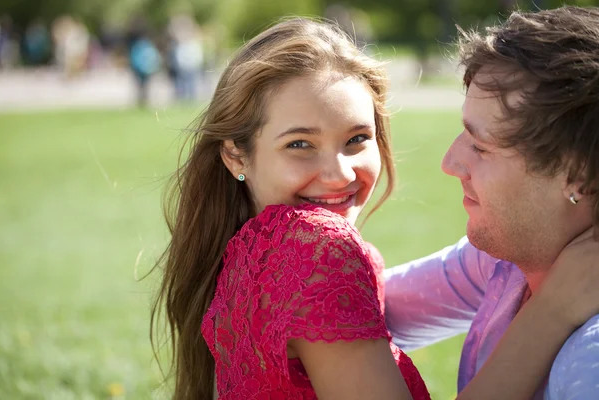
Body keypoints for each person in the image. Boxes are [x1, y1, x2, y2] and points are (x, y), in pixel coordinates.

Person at [150, 17, 599, 400]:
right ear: (236, 156)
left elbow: (395, 302)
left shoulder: (256, 250)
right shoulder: (314, 250)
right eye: (300, 144)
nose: (339, 174)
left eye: (357, 139)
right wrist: (553, 312)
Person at [384, 6, 599, 399]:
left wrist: (551, 315)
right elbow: (360, 311)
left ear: (578, 175)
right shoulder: (508, 259)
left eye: (481, 146)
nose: (450, 164)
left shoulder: (592, 361)